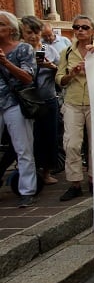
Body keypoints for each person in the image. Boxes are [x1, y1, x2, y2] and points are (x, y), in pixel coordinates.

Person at [56, 15, 94, 202]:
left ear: (92, 31)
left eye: (84, 27)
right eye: (76, 27)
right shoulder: (66, 52)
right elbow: (59, 79)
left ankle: (93, 179)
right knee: (72, 144)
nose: (80, 30)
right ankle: (74, 183)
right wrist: (71, 74)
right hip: (73, 101)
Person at [0, 11, 38, 207]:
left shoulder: (23, 49)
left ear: (11, 29)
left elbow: (28, 77)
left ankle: (27, 190)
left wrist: (5, 62)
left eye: (1, 25)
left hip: (15, 102)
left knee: (23, 148)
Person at [20, 15, 59, 186]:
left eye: (36, 32)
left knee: (50, 137)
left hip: (48, 99)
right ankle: (31, 172)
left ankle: (47, 171)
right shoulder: (20, 50)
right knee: (30, 139)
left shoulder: (47, 49)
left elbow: (61, 74)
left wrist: (51, 67)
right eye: (29, 32)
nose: (33, 36)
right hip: (26, 101)